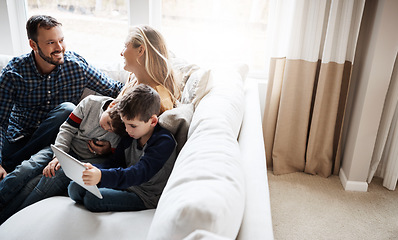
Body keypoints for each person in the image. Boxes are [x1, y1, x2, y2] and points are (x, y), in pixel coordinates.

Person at [0, 15, 123, 181]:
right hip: (18, 139)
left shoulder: (76, 67)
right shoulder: (13, 74)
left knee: (67, 109)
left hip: (54, 142)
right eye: (51, 42)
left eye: (61, 40)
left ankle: (14, 168)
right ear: (33, 44)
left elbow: (116, 89)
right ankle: (11, 167)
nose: (59, 47)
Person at [0, 95, 126, 224]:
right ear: (111, 105)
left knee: (42, 184)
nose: (107, 129)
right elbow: (67, 129)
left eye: (112, 130)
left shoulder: (123, 129)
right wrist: (58, 156)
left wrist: (107, 151)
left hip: (82, 161)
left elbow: (115, 158)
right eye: (109, 124)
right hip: (61, 148)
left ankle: (9, 220)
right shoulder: (91, 103)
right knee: (26, 169)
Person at [68, 84, 177, 212]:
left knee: (92, 199)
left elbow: (138, 173)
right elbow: (115, 163)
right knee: (75, 187)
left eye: (132, 125)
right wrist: (92, 169)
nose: (126, 130)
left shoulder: (163, 141)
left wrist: (102, 176)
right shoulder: (130, 135)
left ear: (152, 121)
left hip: (145, 195)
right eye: (124, 123)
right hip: (125, 184)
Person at [119, 25, 181, 114]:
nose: (121, 53)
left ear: (140, 50)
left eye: (125, 46)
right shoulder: (133, 78)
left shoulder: (158, 98)